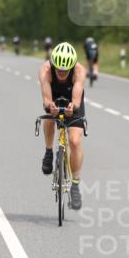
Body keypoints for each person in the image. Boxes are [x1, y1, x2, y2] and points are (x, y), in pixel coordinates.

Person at [39, 42, 87, 210]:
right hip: (53, 95)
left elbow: (76, 97)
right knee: (50, 115)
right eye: (58, 69)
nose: (61, 73)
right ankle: (48, 152)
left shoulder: (79, 71)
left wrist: (72, 107)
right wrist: (49, 105)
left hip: (72, 98)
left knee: (74, 141)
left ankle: (75, 185)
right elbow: (46, 96)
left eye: (65, 71)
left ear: (72, 67)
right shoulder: (46, 70)